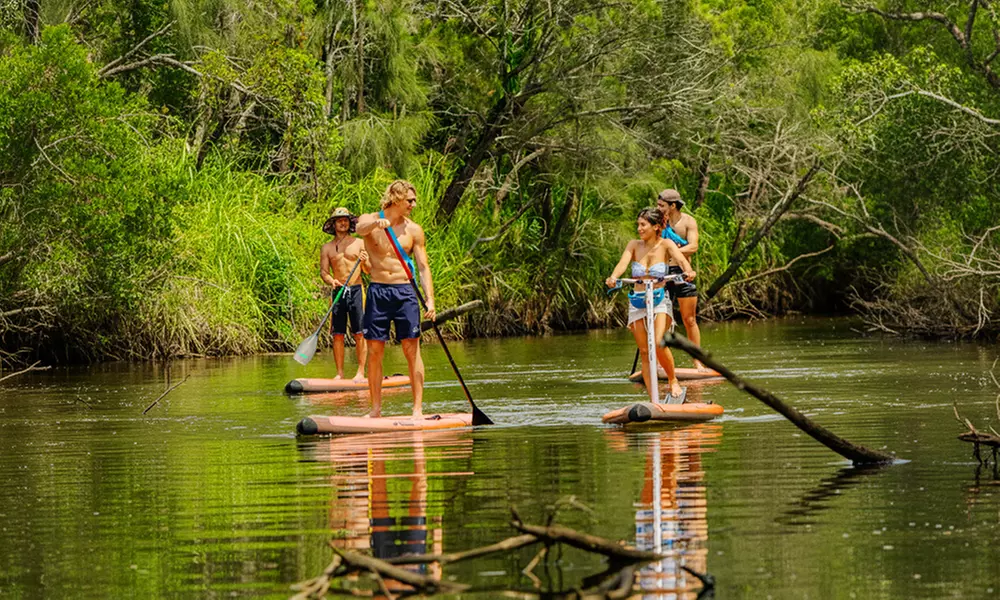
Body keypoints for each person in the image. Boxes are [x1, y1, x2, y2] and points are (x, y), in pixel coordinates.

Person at [355, 180, 436, 418]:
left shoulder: (414, 230)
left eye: (414, 200)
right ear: (396, 199)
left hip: (405, 293)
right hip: (378, 291)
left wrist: (430, 300)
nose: (413, 204)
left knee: (411, 349)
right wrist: (374, 223)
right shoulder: (370, 220)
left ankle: (417, 409)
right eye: (409, 200)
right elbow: (359, 228)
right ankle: (376, 409)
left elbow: (422, 267)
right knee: (375, 350)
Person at [606, 207, 696, 400]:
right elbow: (623, 263)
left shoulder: (666, 244)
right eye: (638, 224)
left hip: (658, 299)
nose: (639, 228)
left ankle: (672, 380)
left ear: (656, 227)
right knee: (645, 351)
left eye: (643, 225)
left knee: (657, 342)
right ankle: (653, 398)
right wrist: (614, 277)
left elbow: (681, 260)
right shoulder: (634, 245)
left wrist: (688, 271)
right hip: (638, 301)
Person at [656, 189, 707, 371]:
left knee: (689, 319)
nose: (658, 208)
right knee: (664, 319)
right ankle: (662, 363)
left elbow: (693, 246)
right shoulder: (658, 222)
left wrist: (672, 250)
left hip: (684, 272)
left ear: (673, 206)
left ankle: (697, 361)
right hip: (662, 272)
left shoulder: (688, 222)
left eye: (661, 205)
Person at [319, 207, 369, 381]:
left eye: (346, 220)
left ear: (349, 223)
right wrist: (331, 281)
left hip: (356, 290)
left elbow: (368, 271)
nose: (343, 222)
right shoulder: (327, 248)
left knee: (360, 333)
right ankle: (340, 373)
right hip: (338, 290)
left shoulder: (359, 243)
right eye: (339, 220)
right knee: (337, 334)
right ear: (333, 224)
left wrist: (365, 261)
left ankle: (361, 372)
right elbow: (324, 272)